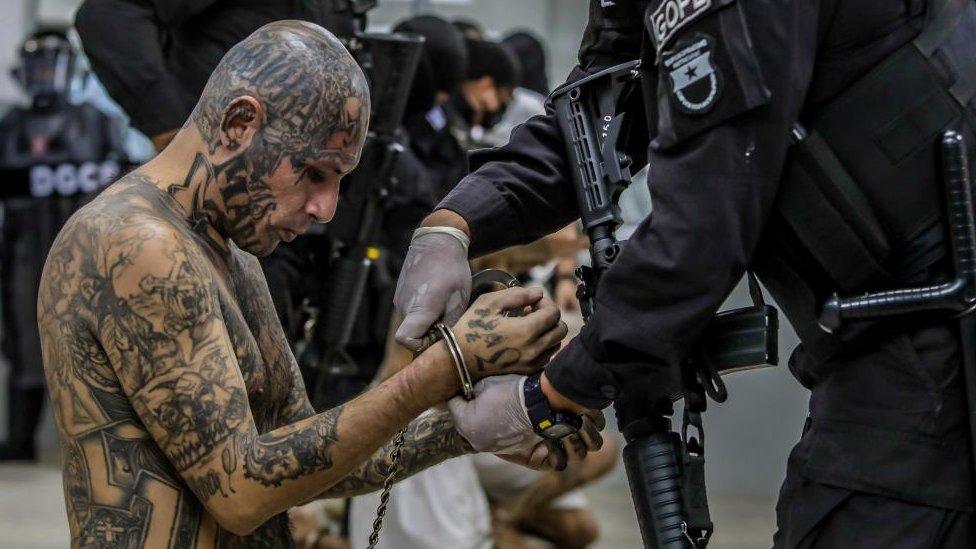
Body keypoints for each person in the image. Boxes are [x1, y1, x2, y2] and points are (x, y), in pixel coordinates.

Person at [393, 0, 976, 546]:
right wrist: (455, 221)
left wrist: (554, 394)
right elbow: (596, 115)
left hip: (938, 331)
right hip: (901, 329)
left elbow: (706, 213)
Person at [37, 22, 598, 547]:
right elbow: (242, 490)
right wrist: (444, 369)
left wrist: (469, 431)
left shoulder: (228, 248)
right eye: (313, 172)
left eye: (338, 182)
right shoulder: (136, 245)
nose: (325, 208)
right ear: (239, 123)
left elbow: (300, 456)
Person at [0, 28, 127, 461]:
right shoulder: (11, 126)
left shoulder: (97, 122)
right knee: (24, 343)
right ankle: (19, 442)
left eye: (51, 64)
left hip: (85, 250)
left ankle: (102, 448)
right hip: (21, 250)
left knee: (92, 342)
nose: (44, 75)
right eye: (36, 65)